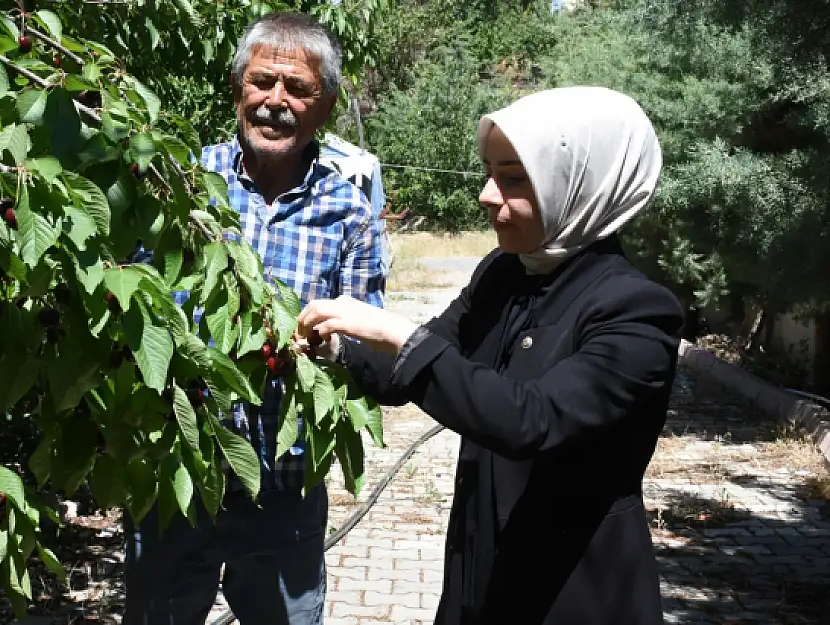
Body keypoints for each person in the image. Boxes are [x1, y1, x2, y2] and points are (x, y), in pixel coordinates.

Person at [295, 86, 683, 625]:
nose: (485, 194)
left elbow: (533, 420)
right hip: (480, 573)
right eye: (488, 171)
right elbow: (410, 371)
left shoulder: (637, 311)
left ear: (580, 186)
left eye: (514, 179)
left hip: (574, 593)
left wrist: (401, 335)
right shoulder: (504, 273)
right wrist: (339, 347)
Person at [122, 11, 387, 625]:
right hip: (176, 467)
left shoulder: (349, 212)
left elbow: (366, 340)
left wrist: (320, 345)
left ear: (325, 106)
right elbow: (135, 305)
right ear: (238, 87)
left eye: (299, 89)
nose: (277, 101)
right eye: (263, 81)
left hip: (285, 483)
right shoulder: (182, 183)